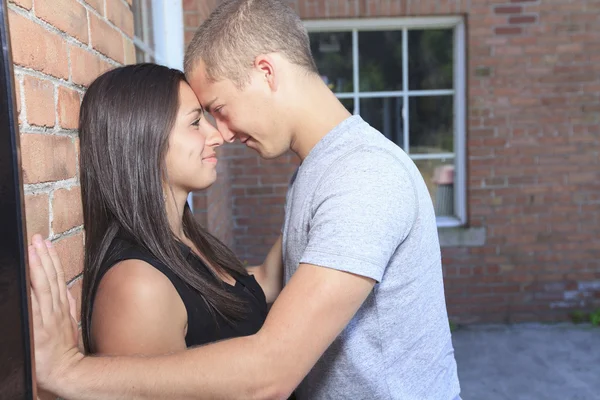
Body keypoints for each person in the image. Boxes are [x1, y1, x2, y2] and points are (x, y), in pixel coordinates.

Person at [29, 0, 461, 398]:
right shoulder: (320, 171)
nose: (225, 134)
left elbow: (271, 370)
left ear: (266, 72)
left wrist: (69, 372)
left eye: (217, 108)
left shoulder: (363, 177)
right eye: (201, 119)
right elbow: (272, 280)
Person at [69, 63, 283, 358]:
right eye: (196, 123)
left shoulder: (183, 240)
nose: (217, 137)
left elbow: (262, 283)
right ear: (145, 141)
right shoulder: (138, 286)